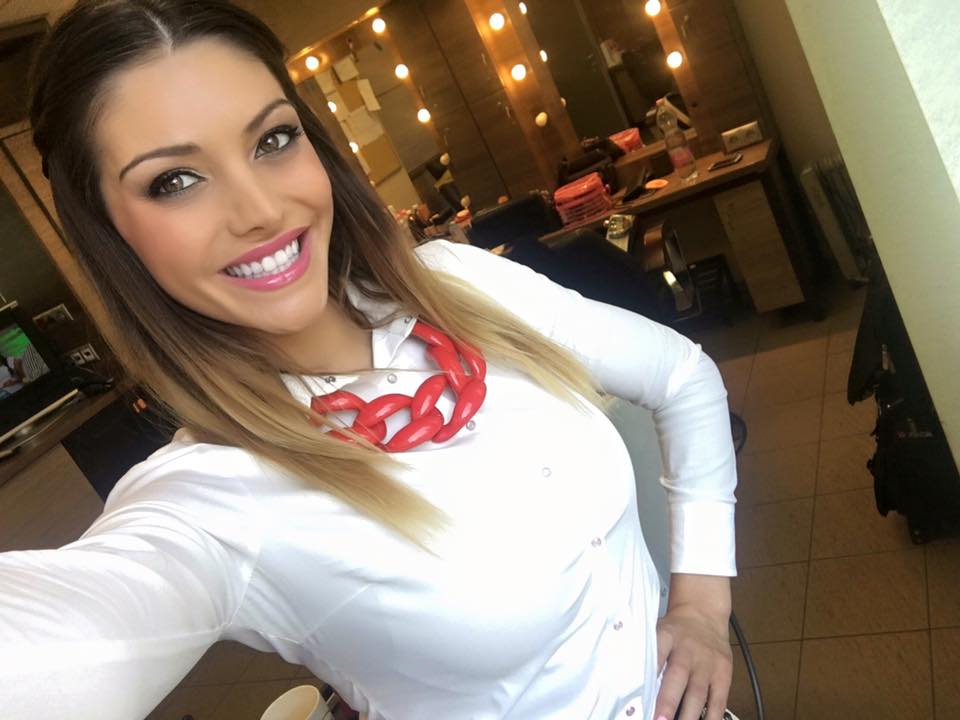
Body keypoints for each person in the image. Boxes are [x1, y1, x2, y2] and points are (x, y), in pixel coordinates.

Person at [0, 2, 738, 719]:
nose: (261, 210)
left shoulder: (457, 282)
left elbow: (683, 376)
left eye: (273, 140)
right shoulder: (212, 495)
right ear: (111, 233)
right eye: (175, 181)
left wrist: (703, 606)